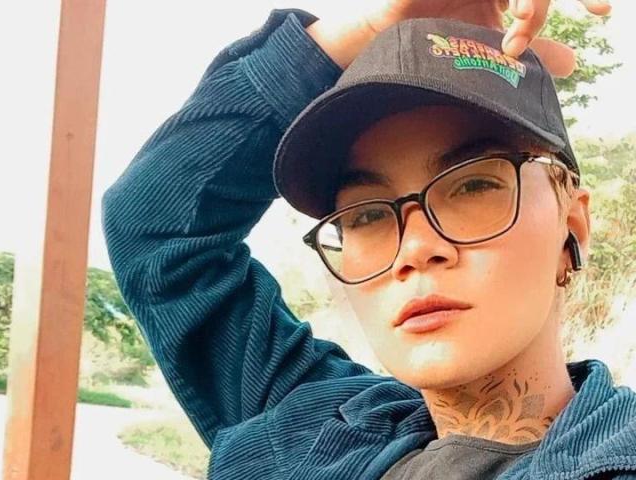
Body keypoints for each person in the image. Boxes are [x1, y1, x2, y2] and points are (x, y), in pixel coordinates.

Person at [102, 1, 636, 479]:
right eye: (366, 215)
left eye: (474, 185)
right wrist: (372, 27)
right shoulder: (308, 432)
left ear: (572, 227)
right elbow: (152, 224)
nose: (414, 249)